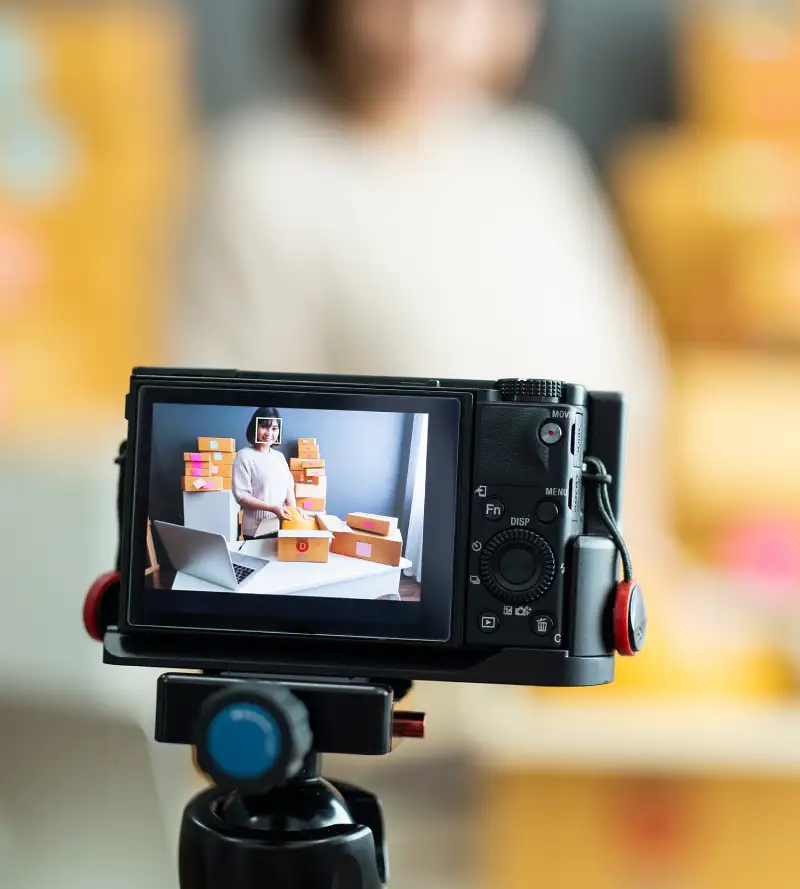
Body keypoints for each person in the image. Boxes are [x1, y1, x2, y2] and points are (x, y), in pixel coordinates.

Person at [171, 0, 746, 651]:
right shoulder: (265, 174)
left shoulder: (535, 163)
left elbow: (633, 400)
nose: (423, 29)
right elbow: (226, 425)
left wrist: (641, 581)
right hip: (384, 624)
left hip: (570, 620)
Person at [233, 407, 297, 539]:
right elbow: (242, 496)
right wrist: (272, 508)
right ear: (254, 428)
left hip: (281, 526)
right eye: (264, 427)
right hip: (256, 529)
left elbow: (288, 489)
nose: (269, 433)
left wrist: (294, 512)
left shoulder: (279, 457)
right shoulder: (244, 456)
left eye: (274, 428)